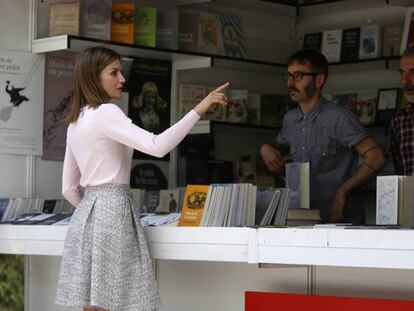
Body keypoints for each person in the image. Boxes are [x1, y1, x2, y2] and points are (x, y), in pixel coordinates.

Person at [55, 46, 229, 311]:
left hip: (86, 216)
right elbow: (157, 146)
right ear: (94, 76)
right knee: (122, 300)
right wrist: (199, 109)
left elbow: (68, 188)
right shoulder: (107, 113)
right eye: (114, 72)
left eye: (121, 72)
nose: (122, 79)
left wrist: (92, 210)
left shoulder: (75, 121)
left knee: (94, 303)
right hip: (113, 209)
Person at [260, 49, 385, 224]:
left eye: (298, 76)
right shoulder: (290, 119)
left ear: (319, 80)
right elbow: (275, 147)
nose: (289, 83)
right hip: (302, 222)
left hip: (341, 221)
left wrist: (343, 191)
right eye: (288, 76)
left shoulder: (339, 118)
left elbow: (376, 156)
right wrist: (266, 149)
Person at [390, 46, 414, 176]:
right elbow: (399, 172)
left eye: (413, 72)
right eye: (402, 73)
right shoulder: (399, 120)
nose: (405, 80)